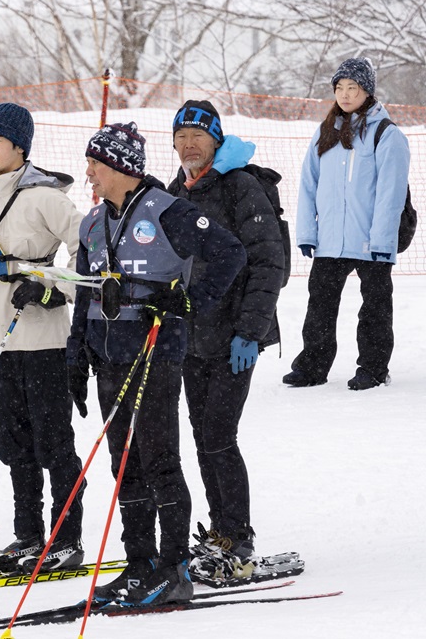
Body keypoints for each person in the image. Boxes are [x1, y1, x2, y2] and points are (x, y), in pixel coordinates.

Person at [68, 122, 246, 604]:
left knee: (159, 459)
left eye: (96, 165)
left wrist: (192, 303)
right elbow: (86, 295)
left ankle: (174, 569)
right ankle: (139, 562)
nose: (89, 174)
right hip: (109, 354)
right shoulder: (92, 223)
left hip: (155, 350)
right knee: (124, 464)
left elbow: (231, 253)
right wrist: (75, 355)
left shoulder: (168, 212)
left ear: (122, 168)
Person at [0, 102, 87, 573]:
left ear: (20, 146)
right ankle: (28, 535)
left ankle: (66, 537)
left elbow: (88, 249)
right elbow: (4, 254)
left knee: (54, 442)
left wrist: (54, 288)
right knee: (14, 444)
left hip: (42, 341)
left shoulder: (45, 196)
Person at [167, 101, 285, 572]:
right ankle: (220, 529)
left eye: (198, 134)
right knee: (202, 435)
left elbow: (268, 262)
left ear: (216, 139)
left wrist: (251, 332)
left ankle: (238, 536)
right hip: (192, 338)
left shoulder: (241, 187)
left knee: (218, 433)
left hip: (236, 338)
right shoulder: (176, 192)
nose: (189, 143)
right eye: (181, 136)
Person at [284, 57, 410, 391]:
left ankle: (372, 367)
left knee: (375, 309)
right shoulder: (326, 131)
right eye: (339, 88)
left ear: (367, 91)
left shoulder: (387, 134)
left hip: (371, 241)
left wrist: (383, 241)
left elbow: (391, 194)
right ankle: (312, 366)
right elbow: (308, 185)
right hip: (330, 240)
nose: (345, 94)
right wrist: (309, 233)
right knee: (320, 306)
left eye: (352, 87)